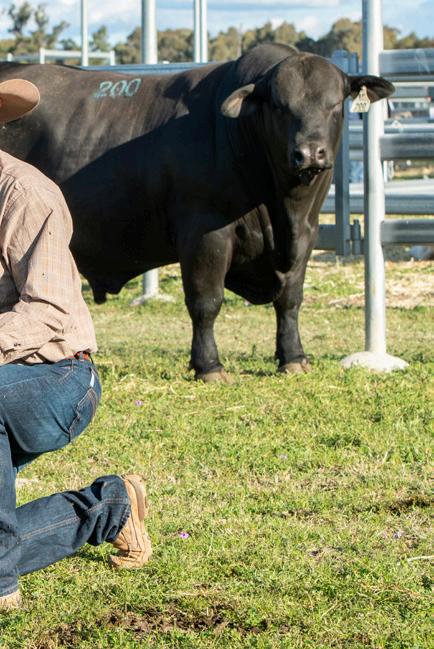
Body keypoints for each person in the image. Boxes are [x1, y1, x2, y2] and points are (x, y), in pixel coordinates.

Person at [0, 79, 152, 612]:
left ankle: (1, 583)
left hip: (58, 375)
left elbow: (49, 310)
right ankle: (108, 507)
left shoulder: (25, 194)